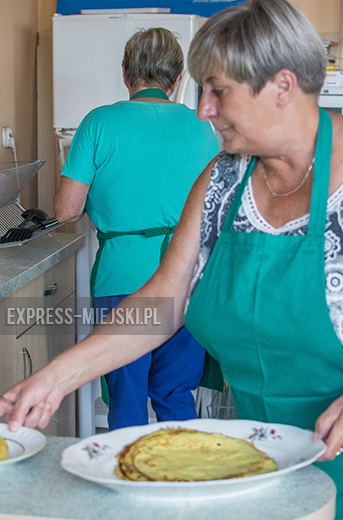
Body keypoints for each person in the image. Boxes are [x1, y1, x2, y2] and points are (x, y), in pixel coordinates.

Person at [0, 2, 343, 518]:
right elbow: (163, 302)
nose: (203, 108)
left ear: (282, 85)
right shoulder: (222, 183)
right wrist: (54, 378)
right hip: (274, 470)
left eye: (218, 90)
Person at [51, 27, 219, 430]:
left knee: (127, 400)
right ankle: (182, 485)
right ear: (177, 81)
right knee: (176, 394)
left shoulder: (98, 124)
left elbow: (65, 211)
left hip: (123, 279)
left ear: (126, 74)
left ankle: (124, 485)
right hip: (187, 279)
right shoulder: (203, 128)